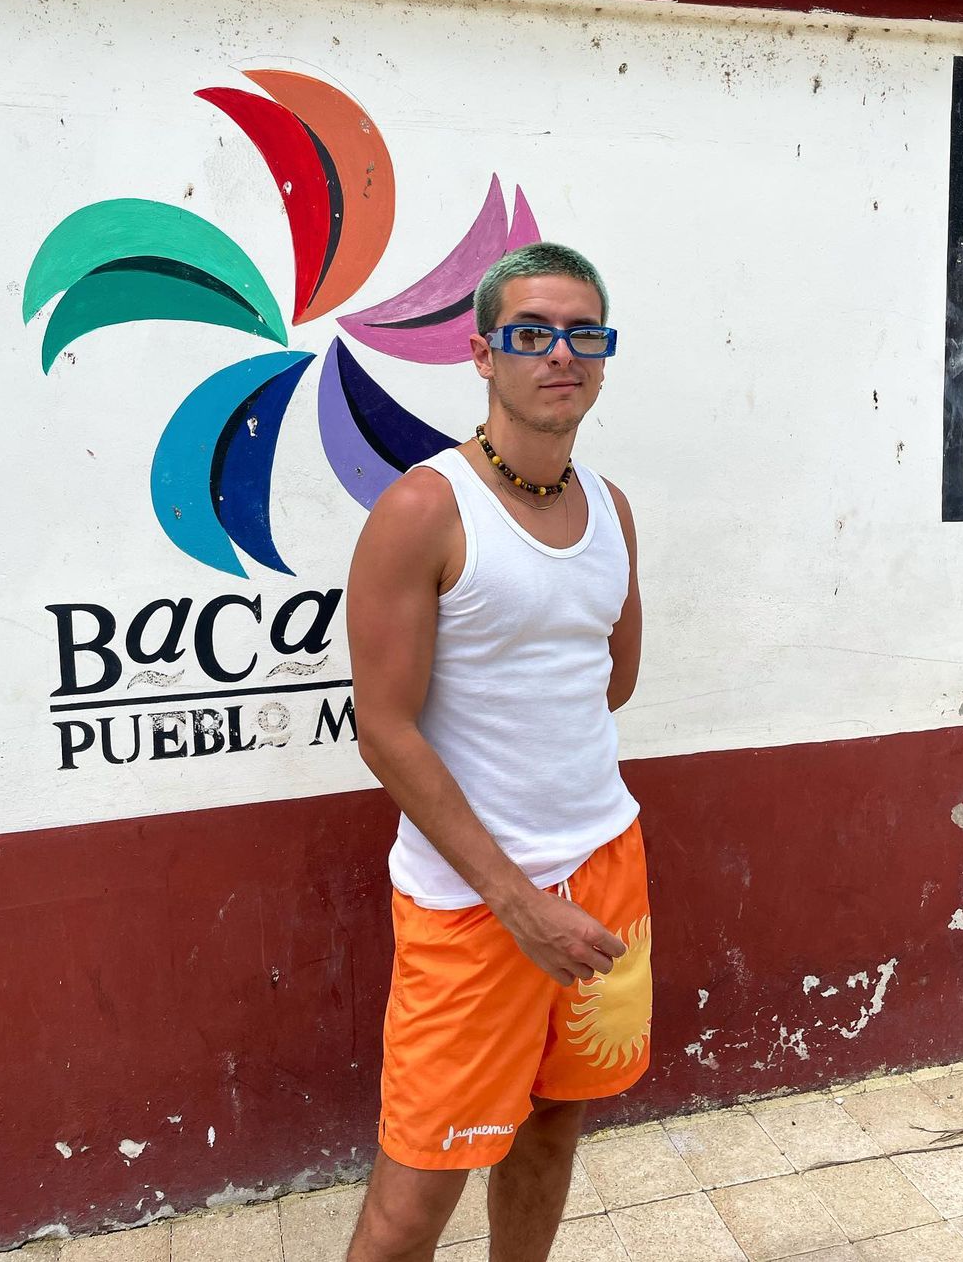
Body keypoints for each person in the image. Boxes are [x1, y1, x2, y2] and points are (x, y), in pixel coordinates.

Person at [345, 242, 650, 1262]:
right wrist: (519, 901)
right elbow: (384, 731)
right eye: (531, 333)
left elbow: (609, 680)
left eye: (583, 335)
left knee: (553, 1131)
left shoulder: (610, 509)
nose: (560, 354)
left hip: (605, 869)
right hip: (475, 903)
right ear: (482, 353)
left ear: (603, 357)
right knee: (412, 1203)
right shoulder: (424, 510)